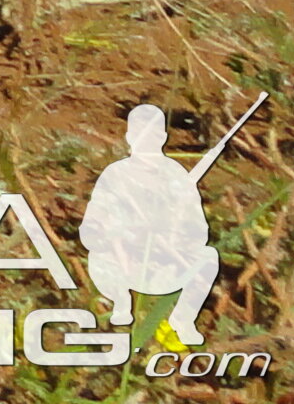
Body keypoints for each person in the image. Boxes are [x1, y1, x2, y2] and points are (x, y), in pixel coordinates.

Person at [79, 105, 222, 351]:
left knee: (208, 257)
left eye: (154, 133)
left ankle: (182, 319)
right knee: (99, 257)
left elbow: (199, 231)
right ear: (129, 137)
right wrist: (123, 233)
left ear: (163, 137)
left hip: (163, 266)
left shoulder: (176, 175)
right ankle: (120, 305)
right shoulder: (115, 174)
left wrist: (171, 233)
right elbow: (91, 228)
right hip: (121, 266)